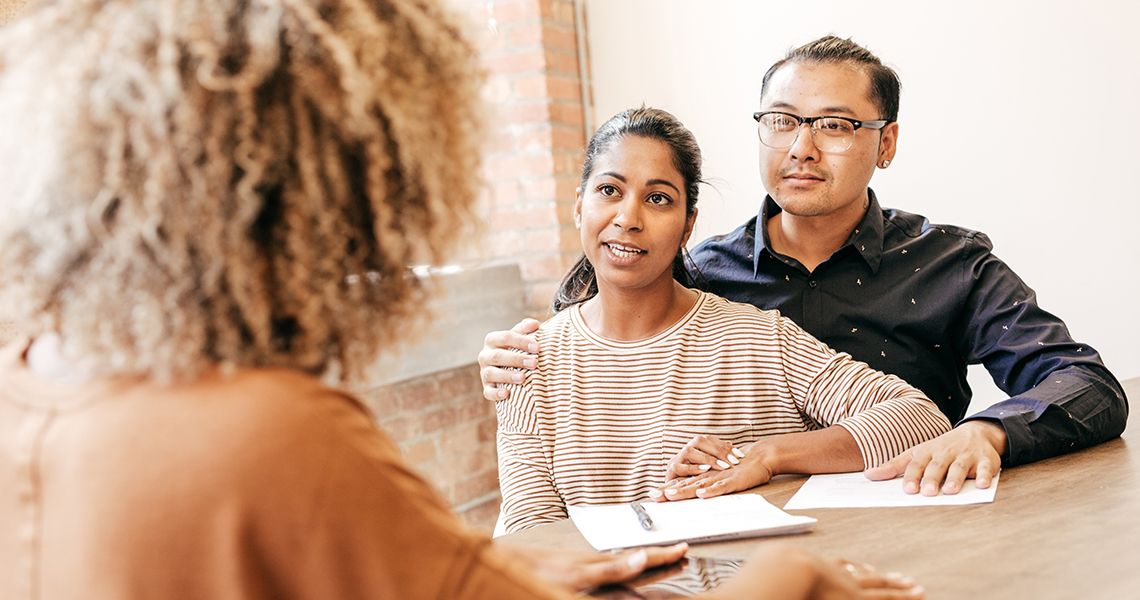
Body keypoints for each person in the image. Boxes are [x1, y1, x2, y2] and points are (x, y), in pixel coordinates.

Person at [0, 2, 924, 599]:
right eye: (608, 190)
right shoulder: (275, 432)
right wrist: (789, 578)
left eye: (659, 197)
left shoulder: (27, 386)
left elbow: (455, 568)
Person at [480, 35, 1128, 498]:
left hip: (918, 522)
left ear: (887, 142)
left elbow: (1086, 386)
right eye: (783, 121)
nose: (802, 148)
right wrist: (520, 358)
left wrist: (989, 432)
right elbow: (608, 348)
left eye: (836, 125)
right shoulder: (698, 272)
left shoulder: (951, 263)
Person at [496, 106, 950, 534]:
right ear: (579, 205)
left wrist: (767, 455)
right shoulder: (528, 366)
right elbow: (531, 538)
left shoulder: (757, 337)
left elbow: (920, 419)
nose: (628, 218)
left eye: (657, 199)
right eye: (609, 191)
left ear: (688, 224)